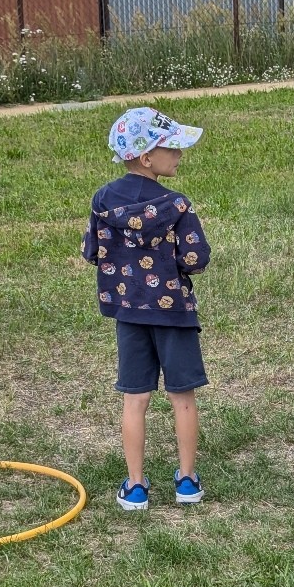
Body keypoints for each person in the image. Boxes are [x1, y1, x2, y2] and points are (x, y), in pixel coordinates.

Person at [82, 107, 211, 511]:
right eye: (171, 147)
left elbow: (91, 251)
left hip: (128, 313)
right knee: (182, 396)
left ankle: (135, 486)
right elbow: (196, 258)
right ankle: (187, 481)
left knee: (135, 399)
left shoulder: (102, 200)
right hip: (174, 315)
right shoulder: (177, 205)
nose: (179, 154)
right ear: (146, 157)